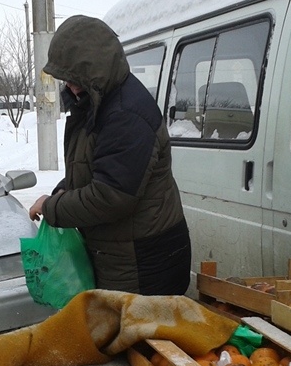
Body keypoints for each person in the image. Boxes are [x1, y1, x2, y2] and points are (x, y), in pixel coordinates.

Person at [29, 15, 191, 296]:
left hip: (145, 263)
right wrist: (61, 191)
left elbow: (111, 196)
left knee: (138, 337)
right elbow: (90, 168)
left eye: (75, 78)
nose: (70, 86)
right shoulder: (94, 103)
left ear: (96, 69)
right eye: (66, 78)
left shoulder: (126, 114)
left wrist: (52, 207)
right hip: (122, 256)